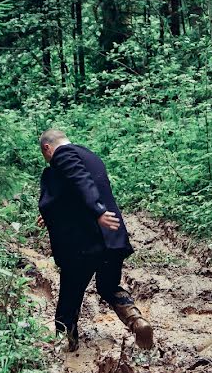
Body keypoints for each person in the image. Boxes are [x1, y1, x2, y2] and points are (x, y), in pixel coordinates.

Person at [36, 129, 154, 352]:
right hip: (112, 239)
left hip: (86, 244)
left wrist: (97, 211)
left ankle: (65, 347)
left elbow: (81, 182)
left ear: (47, 148)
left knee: (70, 295)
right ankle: (138, 322)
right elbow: (72, 193)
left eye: (46, 156)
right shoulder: (91, 156)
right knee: (109, 286)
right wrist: (51, 214)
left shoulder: (63, 155)